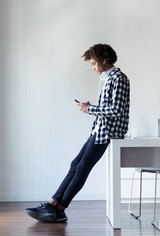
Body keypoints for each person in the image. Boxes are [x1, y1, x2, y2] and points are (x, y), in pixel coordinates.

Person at [26, 43, 130, 223]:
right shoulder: (110, 79)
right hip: (100, 130)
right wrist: (90, 108)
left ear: (104, 61)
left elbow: (117, 109)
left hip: (107, 132)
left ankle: (58, 207)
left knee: (82, 168)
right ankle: (54, 206)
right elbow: (109, 108)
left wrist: (90, 109)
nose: (93, 68)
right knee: (76, 165)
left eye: (94, 64)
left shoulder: (118, 78)